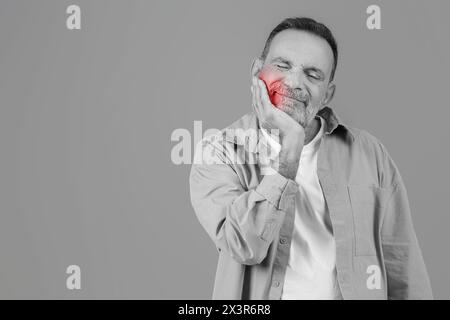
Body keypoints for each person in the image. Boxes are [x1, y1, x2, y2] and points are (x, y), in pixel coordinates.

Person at [189, 17, 433, 300]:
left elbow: (402, 267)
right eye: (282, 65)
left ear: (327, 93)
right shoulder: (219, 152)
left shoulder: (370, 153)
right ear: (257, 71)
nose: (294, 82)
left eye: (313, 74)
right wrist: (289, 152)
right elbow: (244, 244)